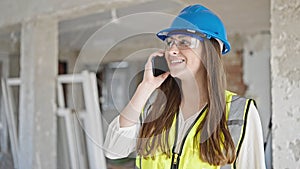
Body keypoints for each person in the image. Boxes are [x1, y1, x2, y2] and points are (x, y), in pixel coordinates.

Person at [104, 4, 266, 169]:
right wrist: (145, 87)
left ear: (209, 51)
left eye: (184, 42)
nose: (172, 50)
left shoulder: (239, 112)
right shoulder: (155, 106)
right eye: (170, 42)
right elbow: (114, 150)